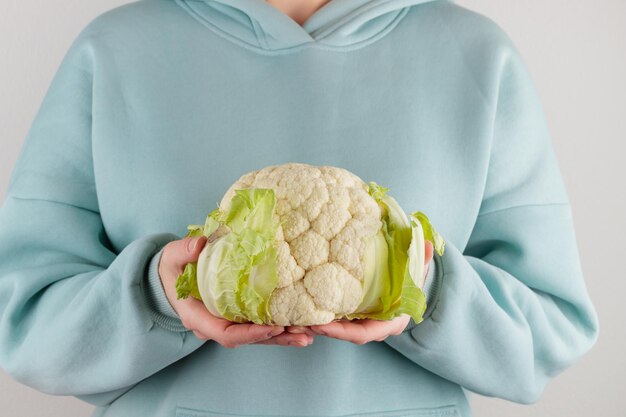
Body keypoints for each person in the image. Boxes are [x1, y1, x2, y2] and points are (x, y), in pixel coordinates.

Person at [0, 0, 598, 416]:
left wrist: (421, 287)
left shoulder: (477, 54)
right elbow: (21, 322)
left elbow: (551, 331)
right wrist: (158, 295)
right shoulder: (113, 49)